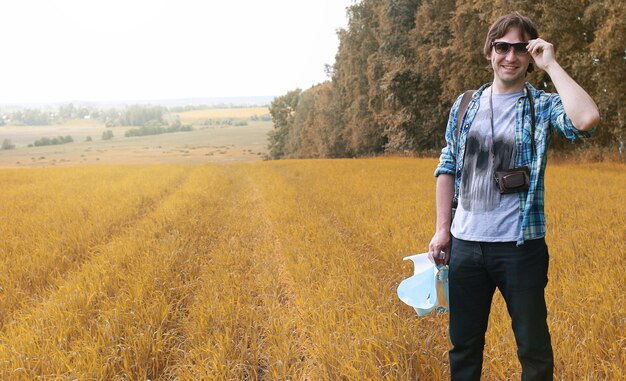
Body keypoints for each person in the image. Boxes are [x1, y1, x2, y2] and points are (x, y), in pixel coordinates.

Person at [427, 12, 600, 381]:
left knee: (533, 348)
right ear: (489, 52)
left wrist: (551, 64)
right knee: (464, 347)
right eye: (502, 47)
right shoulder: (464, 105)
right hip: (466, 247)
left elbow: (585, 120)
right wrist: (443, 230)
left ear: (531, 54)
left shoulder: (542, 105)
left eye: (521, 48)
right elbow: (447, 167)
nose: (510, 56)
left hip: (520, 249)